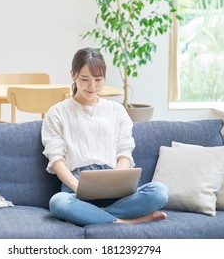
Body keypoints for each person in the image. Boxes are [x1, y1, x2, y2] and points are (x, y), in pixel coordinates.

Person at [41, 47, 168, 226]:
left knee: (160, 191)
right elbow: (56, 159)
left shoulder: (116, 110)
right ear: (73, 75)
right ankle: (122, 221)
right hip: (75, 187)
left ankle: (90, 217)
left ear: (104, 78)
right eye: (84, 79)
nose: (92, 86)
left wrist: (116, 182)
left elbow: (124, 153)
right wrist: (80, 189)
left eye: (98, 79)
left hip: (113, 184)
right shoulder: (57, 112)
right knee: (58, 202)